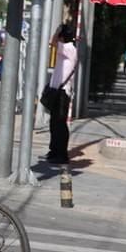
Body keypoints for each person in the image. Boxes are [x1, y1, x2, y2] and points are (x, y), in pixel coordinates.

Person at [46, 23, 78, 165]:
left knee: (60, 124)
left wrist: (57, 31)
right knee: (54, 123)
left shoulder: (69, 49)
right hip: (57, 91)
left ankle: (62, 154)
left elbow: (51, 42)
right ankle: (54, 151)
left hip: (62, 92)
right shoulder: (65, 49)